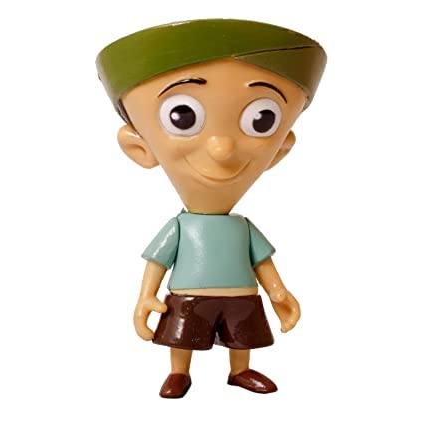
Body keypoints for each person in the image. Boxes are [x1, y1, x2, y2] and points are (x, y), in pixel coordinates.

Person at [96, 18, 326, 398]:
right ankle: (179, 372)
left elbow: (262, 261)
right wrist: (145, 296)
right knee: (182, 334)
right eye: (182, 116)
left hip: (241, 295)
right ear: (140, 147)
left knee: (243, 334)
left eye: (261, 119)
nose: (222, 149)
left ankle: (240, 370)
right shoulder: (181, 227)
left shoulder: (243, 227)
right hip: (188, 294)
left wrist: (278, 292)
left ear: (279, 151)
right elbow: (157, 261)